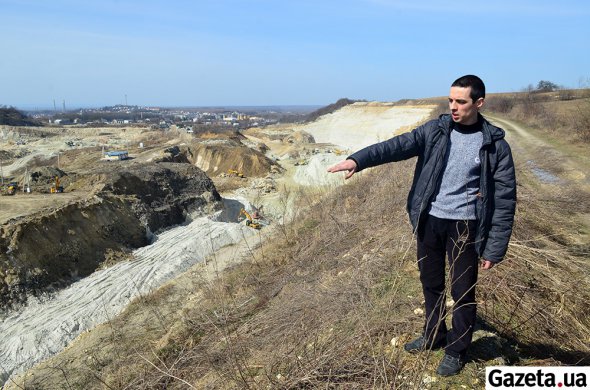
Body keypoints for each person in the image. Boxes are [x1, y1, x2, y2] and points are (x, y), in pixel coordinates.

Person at [327, 75, 516, 376]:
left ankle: (456, 350)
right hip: (430, 221)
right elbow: (394, 147)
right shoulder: (435, 131)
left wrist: (494, 248)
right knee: (430, 284)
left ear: (479, 103)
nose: (453, 107)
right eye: (450, 100)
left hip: (465, 227)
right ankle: (434, 335)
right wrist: (357, 161)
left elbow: (505, 201)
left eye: (461, 102)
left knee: (463, 292)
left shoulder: (494, 145)